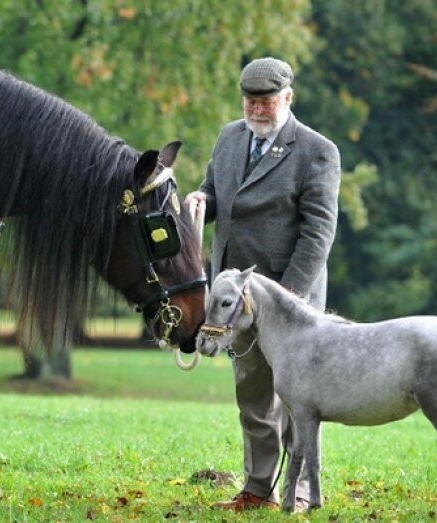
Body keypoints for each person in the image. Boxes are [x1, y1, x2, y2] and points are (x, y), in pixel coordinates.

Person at [185, 57, 341, 511]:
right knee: (252, 394)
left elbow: (319, 231)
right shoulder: (229, 138)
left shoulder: (317, 150)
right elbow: (216, 196)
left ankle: (304, 489)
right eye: (250, 100)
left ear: (287, 98)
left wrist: (291, 292)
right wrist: (201, 201)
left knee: (298, 401)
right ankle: (257, 490)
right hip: (235, 300)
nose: (257, 108)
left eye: (266, 100)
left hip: (291, 301)